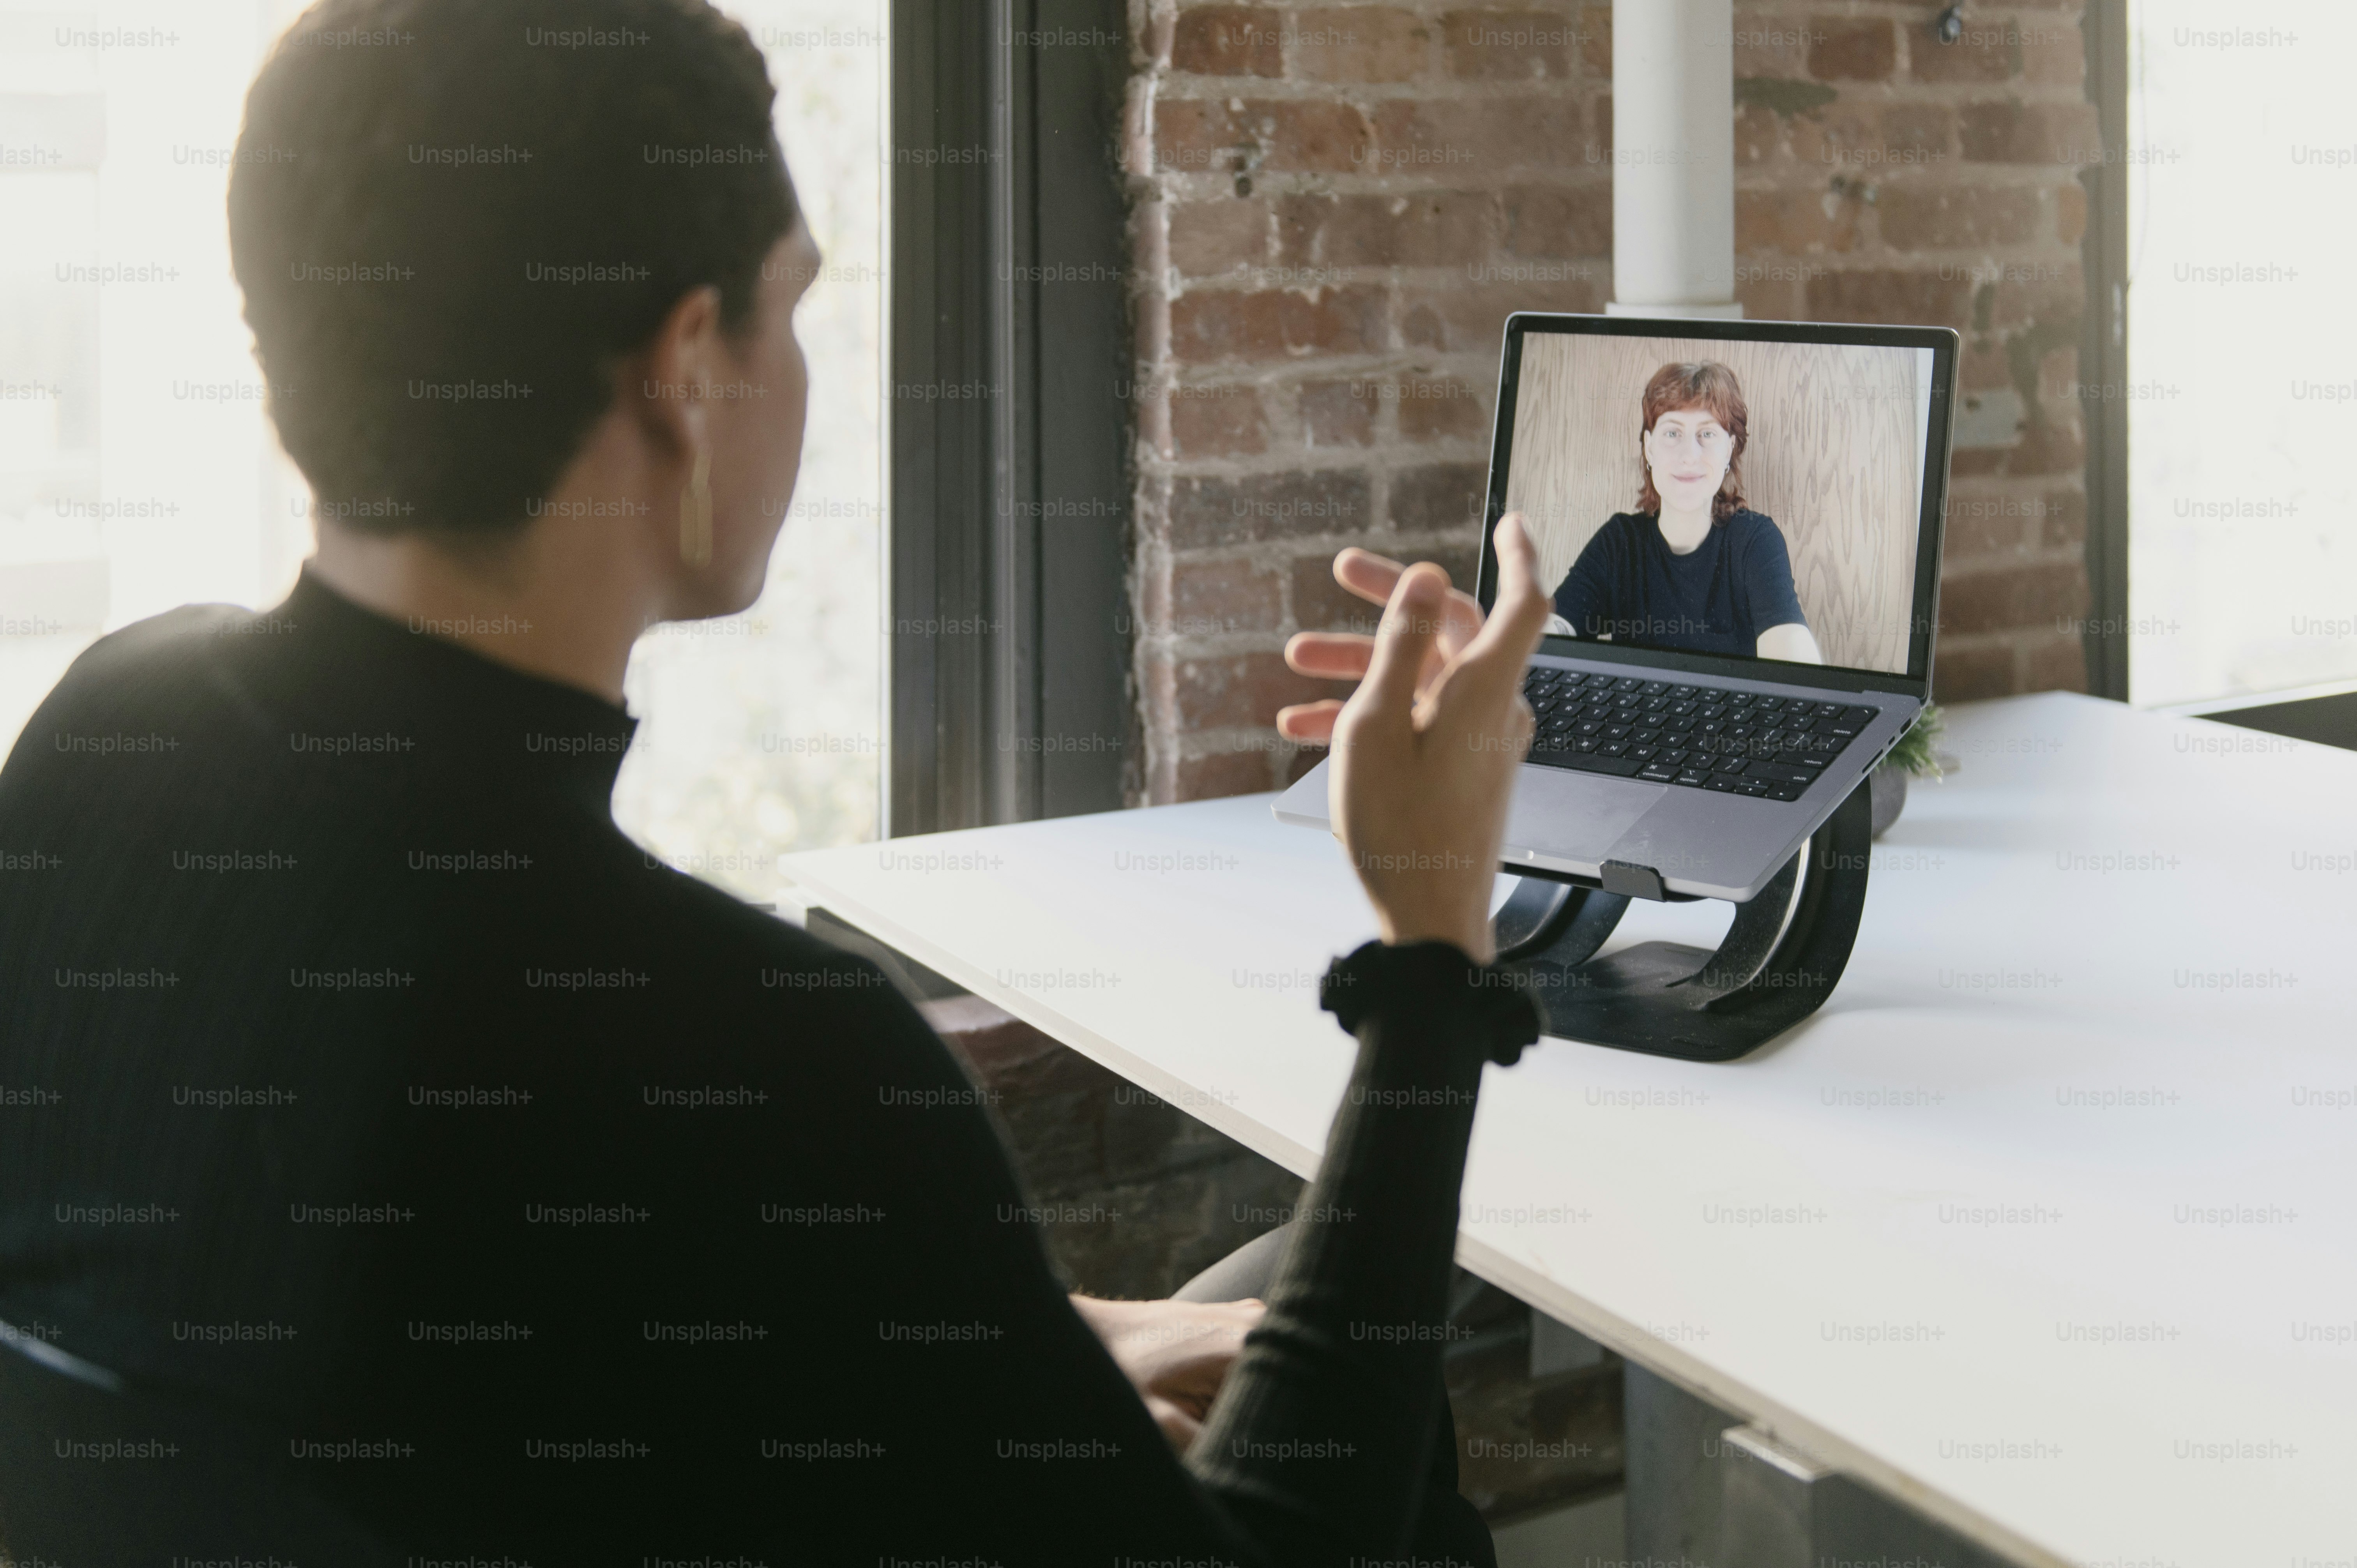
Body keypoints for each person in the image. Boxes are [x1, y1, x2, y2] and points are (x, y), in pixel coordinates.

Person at [0, 1, 1554, 1562]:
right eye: (791, 309)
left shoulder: (98, 746)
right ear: (686, 368)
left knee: (1272, 1323)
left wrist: (1045, 1339)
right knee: (1386, 1419)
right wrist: (1428, 949)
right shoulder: (751, 1052)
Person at [1550, 360, 1825, 664]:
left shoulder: (1755, 541)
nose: (1689, 456)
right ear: (1649, 447)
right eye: (1673, 434)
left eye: (1707, 435)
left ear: (1729, 449)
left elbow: (1792, 650)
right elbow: (1560, 625)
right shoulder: (1619, 542)